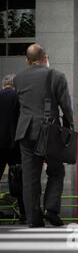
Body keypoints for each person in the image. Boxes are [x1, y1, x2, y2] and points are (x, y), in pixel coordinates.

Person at [14, 44, 74, 227]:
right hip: (50, 131)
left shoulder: (18, 79)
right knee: (56, 171)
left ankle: (33, 218)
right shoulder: (56, 75)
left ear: (27, 60)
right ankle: (51, 209)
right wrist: (70, 126)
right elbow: (65, 105)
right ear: (45, 58)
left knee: (30, 178)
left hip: (25, 131)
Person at [0, 74, 26, 222]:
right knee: (19, 179)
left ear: (4, 85)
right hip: (15, 145)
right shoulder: (19, 97)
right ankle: (24, 213)